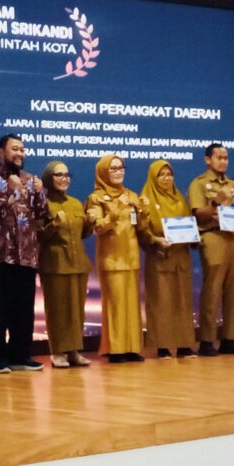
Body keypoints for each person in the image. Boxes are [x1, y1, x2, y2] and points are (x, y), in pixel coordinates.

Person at [0, 134, 49, 373]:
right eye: (14, 149)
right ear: (1, 153)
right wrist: (8, 192)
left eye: (22, 149)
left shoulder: (30, 179)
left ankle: (21, 355)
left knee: (24, 309)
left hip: (26, 256)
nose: (19, 153)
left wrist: (40, 194)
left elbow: (41, 215)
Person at [85, 155, 148, 363]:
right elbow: (98, 228)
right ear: (103, 172)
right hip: (112, 260)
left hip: (131, 258)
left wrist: (144, 214)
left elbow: (139, 227)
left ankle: (132, 348)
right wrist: (114, 214)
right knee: (115, 306)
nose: (118, 172)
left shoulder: (131, 195)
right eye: (113, 169)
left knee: (131, 306)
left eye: (121, 167)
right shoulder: (96, 198)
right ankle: (115, 349)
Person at [188, 143, 234, 356]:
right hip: (213, 237)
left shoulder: (233, 184)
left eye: (226, 157)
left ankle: (230, 338)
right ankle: (207, 340)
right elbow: (198, 214)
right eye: (219, 157)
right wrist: (215, 204)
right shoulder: (199, 183)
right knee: (212, 290)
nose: (223, 161)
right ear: (208, 160)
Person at [139, 160, 197, 359]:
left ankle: (184, 345)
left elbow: (190, 224)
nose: (166, 178)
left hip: (181, 258)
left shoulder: (180, 198)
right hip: (160, 258)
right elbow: (142, 229)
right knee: (161, 302)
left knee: (183, 301)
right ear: (153, 178)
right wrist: (154, 240)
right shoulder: (145, 199)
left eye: (169, 174)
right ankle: (162, 346)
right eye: (161, 175)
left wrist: (194, 236)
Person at [38, 161, 93, 368]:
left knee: (77, 310)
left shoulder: (76, 203)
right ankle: (58, 351)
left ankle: (74, 351)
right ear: (48, 179)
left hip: (78, 262)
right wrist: (54, 225)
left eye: (67, 174)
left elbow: (84, 233)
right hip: (55, 264)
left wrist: (89, 223)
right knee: (58, 309)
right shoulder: (42, 203)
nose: (64, 178)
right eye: (58, 174)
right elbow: (37, 235)